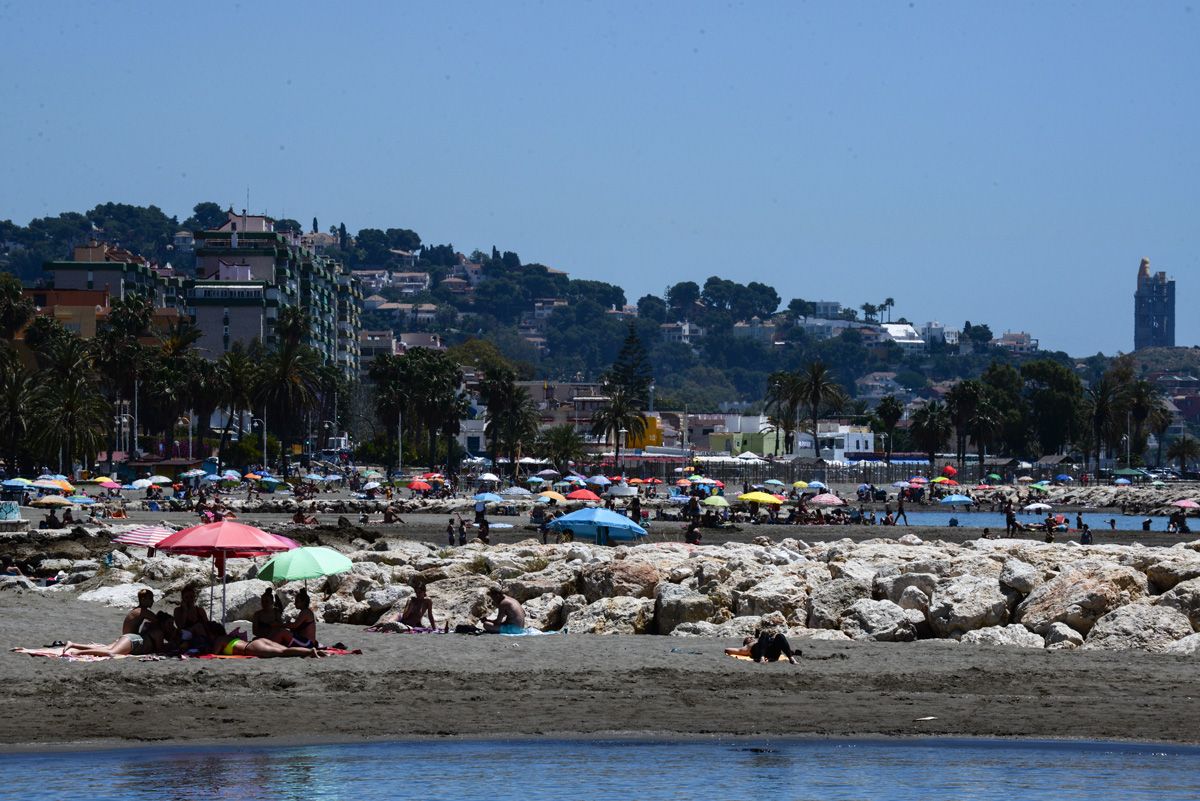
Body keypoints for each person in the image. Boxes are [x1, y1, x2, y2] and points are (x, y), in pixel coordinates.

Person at [206, 622, 323, 658]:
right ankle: (318, 652)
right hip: (256, 642)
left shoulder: (219, 639)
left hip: (251, 648)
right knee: (286, 650)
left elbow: (213, 654)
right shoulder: (227, 637)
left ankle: (310, 651)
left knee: (283, 653)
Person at [724, 628, 797, 664]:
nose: (751, 638)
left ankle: (791, 658)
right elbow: (735, 650)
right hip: (761, 653)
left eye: (751, 637)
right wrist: (726, 650)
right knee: (764, 633)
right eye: (748, 638)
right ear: (746, 643)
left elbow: (783, 646)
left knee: (780, 636)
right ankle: (762, 657)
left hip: (773, 651)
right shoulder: (748, 646)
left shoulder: (761, 640)